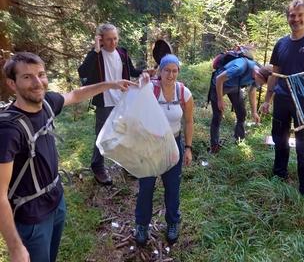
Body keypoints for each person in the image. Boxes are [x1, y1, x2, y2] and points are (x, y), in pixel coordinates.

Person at [0, 52, 135, 262]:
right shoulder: (8, 130)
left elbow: (75, 94)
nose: (38, 82)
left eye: (41, 74)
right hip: (31, 216)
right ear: (12, 83)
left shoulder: (46, 103)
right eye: (27, 77)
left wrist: (112, 84)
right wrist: (15, 247)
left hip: (56, 200)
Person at [261, 0, 304, 210]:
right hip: (283, 100)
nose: (295, 19)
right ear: (288, 18)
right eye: (292, 15)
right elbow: (274, 74)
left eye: (299, 15)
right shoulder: (281, 44)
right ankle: (279, 174)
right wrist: (267, 100)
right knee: (280, 139)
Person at [78, 23, 155, 185]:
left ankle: (127, 165)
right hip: (104, 101)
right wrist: (96, 50)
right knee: (103, 136)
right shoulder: (96, 55)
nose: (113, 43)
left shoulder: (122, 53)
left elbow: (132, 72)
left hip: (123, 99)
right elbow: (83, 73)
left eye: (115, 39)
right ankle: (98, 167)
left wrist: (144, 71)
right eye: (108, 39)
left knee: (125, 132)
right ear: (101, 40)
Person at [134, 54, 193, 246]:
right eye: (167, 70)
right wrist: (141, 81)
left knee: (172, 187)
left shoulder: (183, 92)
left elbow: (189, 121)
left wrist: (188, 148)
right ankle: (142, 225)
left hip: (173, 143)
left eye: (174, 70)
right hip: (150, 145)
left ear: (178, 72)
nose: (170, 74)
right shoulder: (151, 89)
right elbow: (134, 103)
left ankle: (173, 223)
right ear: (160, 71)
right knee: (146, 187)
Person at [209, 56, 272, 153]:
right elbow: (219, 79)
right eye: (262, 83)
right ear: (257, 75)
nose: (261, 85)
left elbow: (252, 91)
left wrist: (254, 112)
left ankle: (239, 140)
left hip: (235, 87)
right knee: (217, 116)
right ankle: (214, 147)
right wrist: (220, 100)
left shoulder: (260, 73)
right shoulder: (239, 67)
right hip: (218, 85)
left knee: (242, 114)